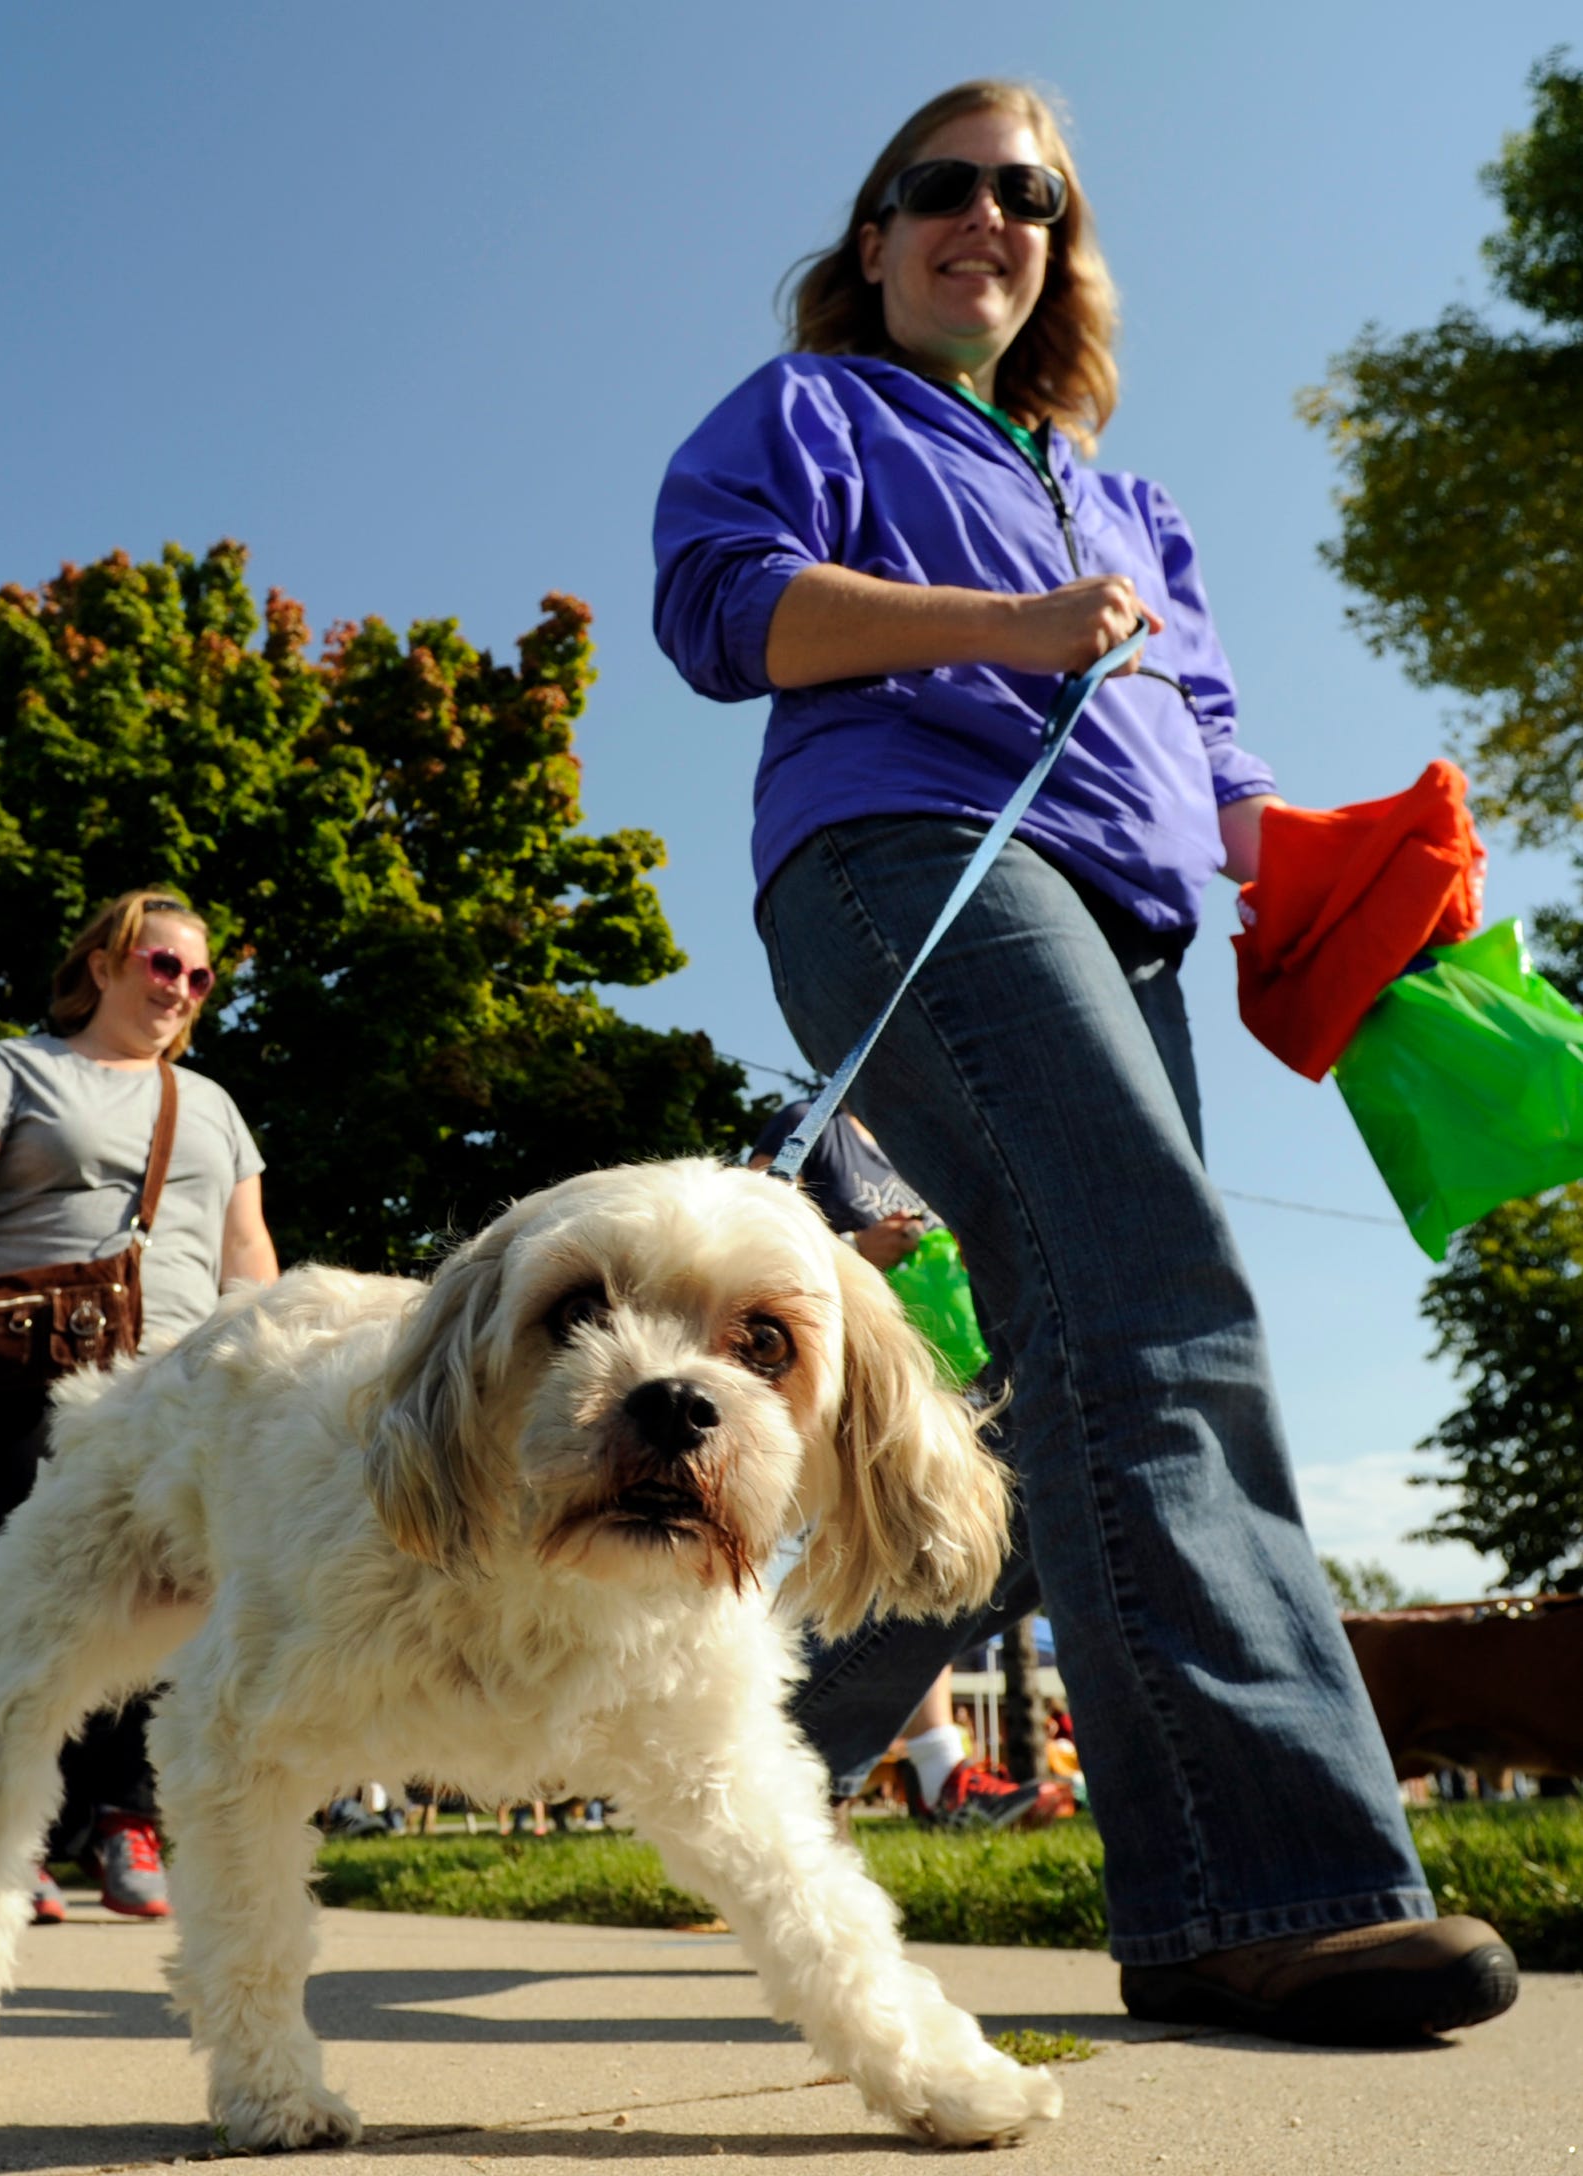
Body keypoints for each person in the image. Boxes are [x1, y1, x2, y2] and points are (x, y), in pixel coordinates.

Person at [654, 80, 1518, 2040]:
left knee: (1044, 1386)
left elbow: (1210, 741)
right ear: (868, 241)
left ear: (1058, 246)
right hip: (911, 852)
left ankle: (723, 1757)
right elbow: (724, 613)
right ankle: (1265, 1881)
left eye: (1024, 193)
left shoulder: (1127, 496)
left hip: (1125, 917)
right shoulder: (807, 412)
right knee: (1150, 1294)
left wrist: (1338, 874)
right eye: (936, 187)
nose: (984, 215)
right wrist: (1012, 623)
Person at [0, 888, 276, 1921]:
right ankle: (17, 1831)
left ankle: (126, 1817)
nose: (182, 988)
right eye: (162, 964)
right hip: (21, 1373)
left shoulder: (213, 1105)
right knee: (25, 1600)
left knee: (174, 1600)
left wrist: (275, 1368)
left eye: (200, 975)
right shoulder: (15, 1067)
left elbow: (247, 1250)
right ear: (103, 963)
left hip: (175, 1393)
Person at [751, 1098, 1049, 1829]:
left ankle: (924, 1771)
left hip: (943, 1386)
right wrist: (853, 1252)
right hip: (843, 1391)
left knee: (938, 1563)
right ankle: (878, 1767)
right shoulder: (811, 1121)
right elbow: (743, 1233)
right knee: (880, 1566)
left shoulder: (925, 1144)